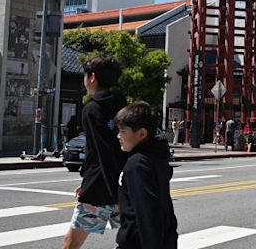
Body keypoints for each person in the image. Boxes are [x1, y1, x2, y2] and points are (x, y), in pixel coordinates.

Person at [62, 55, 127, 249]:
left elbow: (101, 153)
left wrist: (113, 195)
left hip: (101, 188)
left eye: (85, 75)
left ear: (92, 78)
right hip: (124, 183)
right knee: (133, 240)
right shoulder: (123, 104)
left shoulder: (92, 109)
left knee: (70, 245)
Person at [114, 101, 178, 249]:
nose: (118, 136)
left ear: (142, 133)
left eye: (123, 131)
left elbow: (147, 215)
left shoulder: (137, 165)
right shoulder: (155, 157)